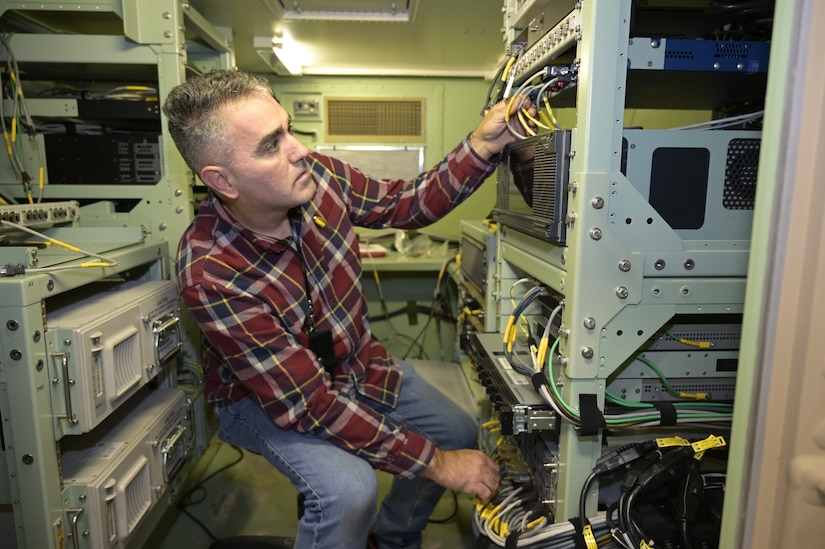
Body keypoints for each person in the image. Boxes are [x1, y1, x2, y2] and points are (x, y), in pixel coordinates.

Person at [162, 69, 534, 549]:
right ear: (222, 179)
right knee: (348, 490)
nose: (299, 150)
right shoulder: (211, 272)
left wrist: (483, 145)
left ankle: (393, 539)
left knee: (457, 429)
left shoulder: (320, 178)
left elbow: (405, 205)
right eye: (271, 145)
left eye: (288, 129)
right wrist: (439, 466)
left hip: (357, 366)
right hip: (261, 401)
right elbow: (307, 402)